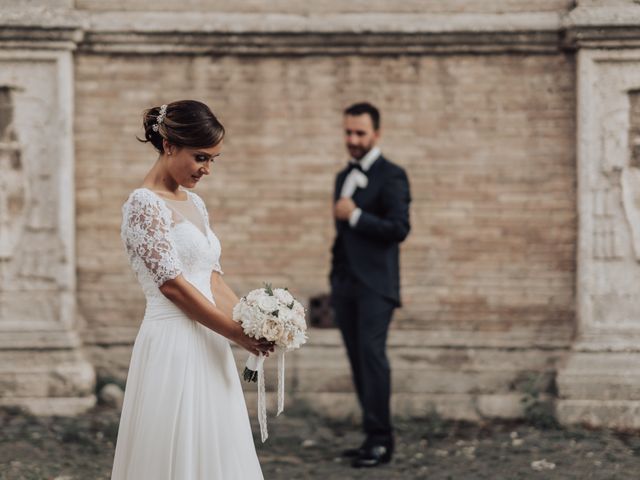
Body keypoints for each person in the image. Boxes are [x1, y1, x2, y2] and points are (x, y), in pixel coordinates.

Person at [111, 100, 273, 479]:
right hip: (172, 342)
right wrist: (234, 332)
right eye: (201, 157)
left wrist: (254, 322)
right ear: (169, 146)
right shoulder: (143, 204)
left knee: (216, 444)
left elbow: (211, 278)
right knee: (175, 444)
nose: (207, 169)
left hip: (209, 339)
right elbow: (173, 286)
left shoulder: (195, 204)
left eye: (214, 159)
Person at [330, 102, 411, 468]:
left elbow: (399, 228)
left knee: (372, 358)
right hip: (346, 285)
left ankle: (382, 441)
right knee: (358, 360)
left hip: (377, 286)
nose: (353, 139)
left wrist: (357, 215)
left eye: (360, 133)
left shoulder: (392, 175)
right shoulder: (341, 177)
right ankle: (369, 436)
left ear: (376, 134)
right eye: (348, 132)